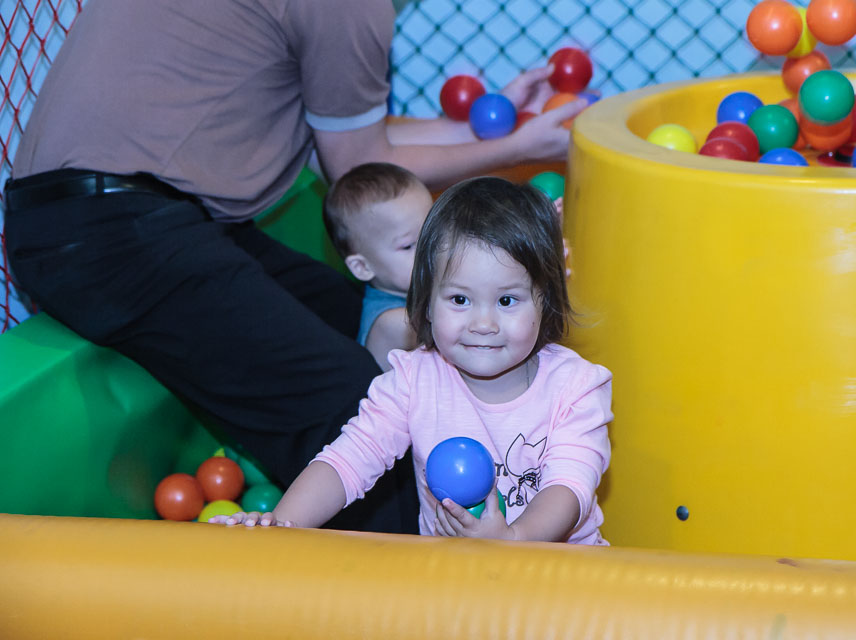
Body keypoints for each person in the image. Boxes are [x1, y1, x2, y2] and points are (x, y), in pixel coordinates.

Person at [2, 0, 586, 533]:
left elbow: (355, 137)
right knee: (359, 396)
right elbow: (356, 165)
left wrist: (508, 123)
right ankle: (418, 570)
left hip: (132, 215)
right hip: (112, 229)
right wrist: (519, 148)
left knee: (360, 317)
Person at [214, 177, 613, 544]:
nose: (483, 324)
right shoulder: (414, 380)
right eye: (459, 299)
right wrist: (282, 525)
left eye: (507, 300)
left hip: (559, 577)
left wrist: (513, 538)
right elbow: (350, 457)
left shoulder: (575, 388)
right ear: (426, 303)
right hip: (452, 578)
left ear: (547, 301)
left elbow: (569, 485)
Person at [323, 163, 430, 371]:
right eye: (408, 246)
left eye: (431, 232)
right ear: (362, 267)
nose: (429, 249)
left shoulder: (419, 291)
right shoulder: (396, 323)